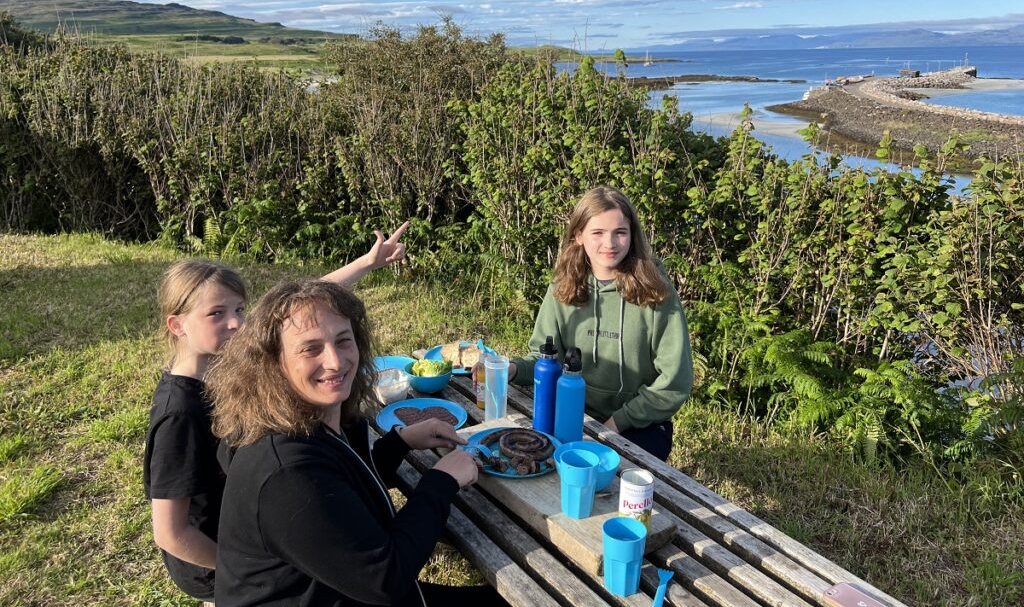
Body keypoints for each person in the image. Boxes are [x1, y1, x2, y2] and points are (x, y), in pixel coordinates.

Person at [143, 224, 408, 601]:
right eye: (216, 313)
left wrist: (366, 263)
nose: (235, 323)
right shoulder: (179, 413)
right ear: (177, 324)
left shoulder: (222, 361)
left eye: (238, 309)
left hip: (262, 525)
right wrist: (246, 566)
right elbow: (169, 533)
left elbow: (300, 312)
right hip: (217, 560)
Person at [207, 279, 507, 607]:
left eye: (343, 340)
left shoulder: (323, 417)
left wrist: (400, 442)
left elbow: (339, 489)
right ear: (273, 362)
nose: (335, 361)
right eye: (311, 348)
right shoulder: (285, 473)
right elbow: (386, 578)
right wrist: (442, 480)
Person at [509, 186, 692, 461]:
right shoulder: (563, 286)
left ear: (632, 235)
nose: (610, 244)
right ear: (579, 235)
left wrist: (617, 423)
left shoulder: (655, 290)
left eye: (620, 232)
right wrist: (510, 369)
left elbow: (674, 382)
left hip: (638, 424)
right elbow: (544, 357)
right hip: (571, 411)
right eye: (598, 233)